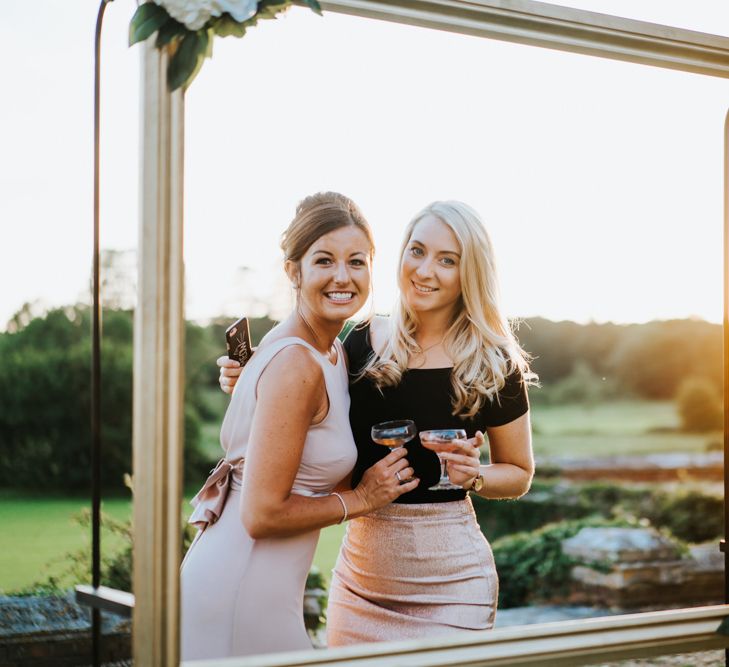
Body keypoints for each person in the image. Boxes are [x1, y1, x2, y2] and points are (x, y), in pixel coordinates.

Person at [218, 200, 535, 645]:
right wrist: (248, 376)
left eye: (447, 260)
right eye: (417, 251)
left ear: (470, 272)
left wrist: (477, 475)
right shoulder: (362, 342)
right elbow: (302, 399)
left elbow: (519, 473)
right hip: (362, 582)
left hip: (455, 583)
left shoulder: (495, 363)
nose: (425, 270)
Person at [181, 192, 418, 661]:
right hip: (242, 590)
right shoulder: (298, 361)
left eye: (357, 261)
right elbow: (262, 514)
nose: (343, 277)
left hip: (258, 586)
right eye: (324, 261)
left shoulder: (324, 350)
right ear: (294, 271)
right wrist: (362, 499)